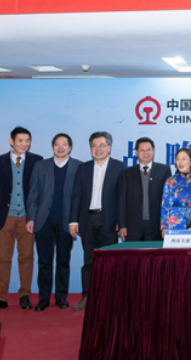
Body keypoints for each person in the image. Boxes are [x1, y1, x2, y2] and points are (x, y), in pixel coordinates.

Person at [0, 126, 43, 314]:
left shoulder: (37, 161)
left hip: (27, 219)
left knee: (27, 258)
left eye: (27, 141)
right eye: (20, 140)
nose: (24, 144)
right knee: (2, 258)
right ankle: (0, 298)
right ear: (11, 141)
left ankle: (25, 295)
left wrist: (37, 215)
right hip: (4, 218)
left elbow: (40, 191)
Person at [69, 131, 126, 311]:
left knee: (109, 262)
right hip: (87, 219)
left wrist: (121, 221)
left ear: (109, 147)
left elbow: (122, 197)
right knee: (89, 260)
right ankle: (86, 296)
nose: (98, 149)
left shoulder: (119, 167)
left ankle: (108, 298)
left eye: (102, 145)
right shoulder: (83, 168)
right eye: (94, 146)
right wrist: (73, 221)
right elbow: (76, 195)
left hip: (109, 220)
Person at [25, 133, 82, 312]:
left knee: (63, 260)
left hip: (67, 221)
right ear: (52, 147)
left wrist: (76, 219)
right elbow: (33, 194)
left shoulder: (79, 167)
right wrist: (31, 218)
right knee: (44, 261)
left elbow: (80, 197)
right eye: (57, 144)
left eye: (64, 144)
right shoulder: (40, 166)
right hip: (44, 221)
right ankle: (43, 298)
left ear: (70, 147)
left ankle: (61, 297)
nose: (60, 147)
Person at [117, 137, 172, 241]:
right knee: (133, 252)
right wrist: (122, 225)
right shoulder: (127, 173)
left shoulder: (164, 170)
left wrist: (167, 224)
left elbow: (169, 199)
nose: (146, 153)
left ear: (153, 151)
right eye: (142, 150)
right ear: (136, 153)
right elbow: (122, 201)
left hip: (157, 225)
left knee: (155, 252)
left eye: (148, 150)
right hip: (133, 225)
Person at [161, 147, 191, 233]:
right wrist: (164, 228)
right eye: (178, 159)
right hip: (174, 226)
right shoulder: (170, 181)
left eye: (184, 159)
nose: (180, 162)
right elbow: (165, 206)